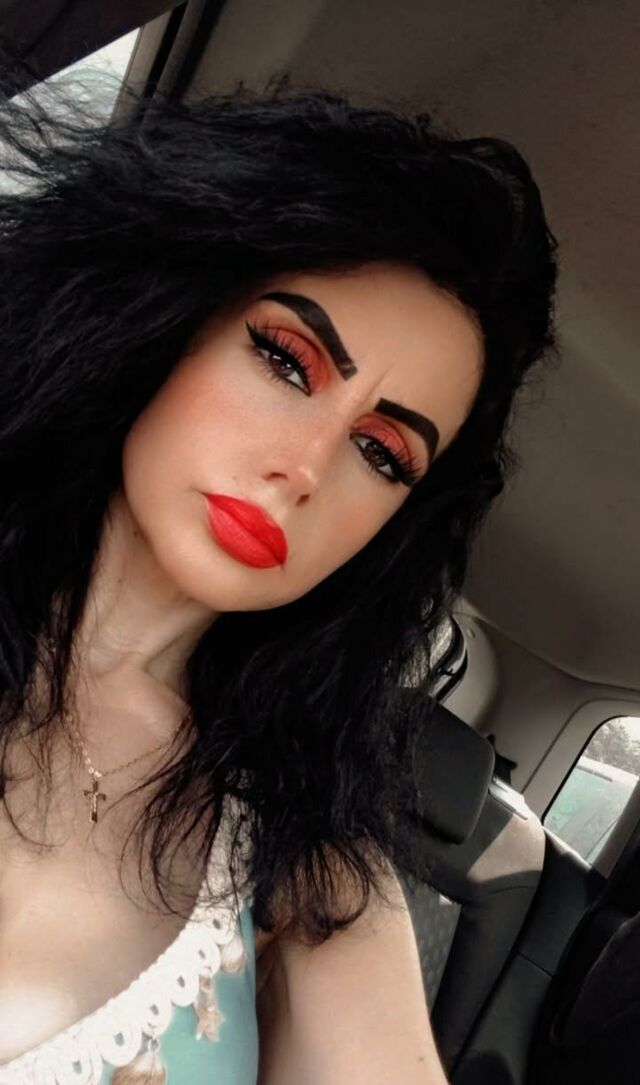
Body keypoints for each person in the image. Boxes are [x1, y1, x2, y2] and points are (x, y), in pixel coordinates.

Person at [0, 65, 557, 1084]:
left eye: (381, 452)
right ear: (165, 312)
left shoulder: (309, 858)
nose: (304, 468)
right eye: (287, 361)